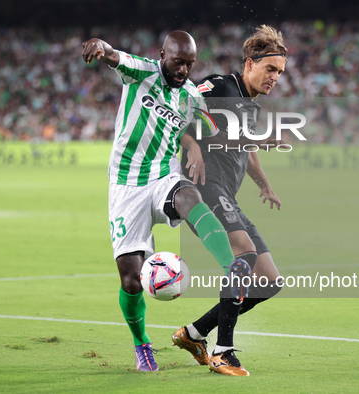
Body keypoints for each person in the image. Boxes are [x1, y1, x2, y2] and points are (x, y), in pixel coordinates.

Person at [81, 31, 277, 372]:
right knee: (130, 280)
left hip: (162, 175)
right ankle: (143, 344)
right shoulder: (141, 72)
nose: (184, 70)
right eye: (178, 62)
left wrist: (198, 144)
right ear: (162, 55)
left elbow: (202, 126)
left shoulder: (190, 95)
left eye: (190, 64)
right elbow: (114, 56)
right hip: (126, 185)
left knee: (189, 197)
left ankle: (223, 276)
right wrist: (101, 47)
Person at [171, 25, 288, 376]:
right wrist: (192, 145)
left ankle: (193, 334)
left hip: (226, 194)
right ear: (249, 63)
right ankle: (223, 351)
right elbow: (178, 112)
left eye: (280, 73)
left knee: (268, 281)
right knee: (244, 254)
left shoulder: (251, 107)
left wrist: (264, 185)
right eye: (270, 69)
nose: (275, 78)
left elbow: (248, 150)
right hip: (201, 187)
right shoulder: (220, 86)